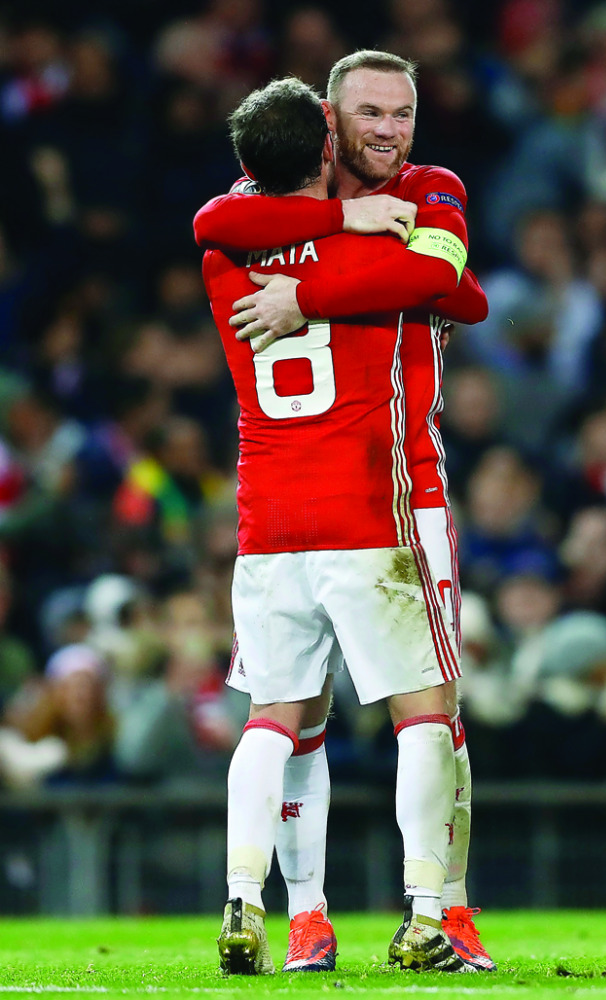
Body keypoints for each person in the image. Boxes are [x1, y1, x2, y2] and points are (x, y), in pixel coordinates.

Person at [194, 51, 495, 973]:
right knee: (423, 709)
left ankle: (280, 902)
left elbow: (213, 228)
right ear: (329, 125)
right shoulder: (366, 227)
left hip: (287, 516)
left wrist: (303, 296)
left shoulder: (416, 191)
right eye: (369, 112)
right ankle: (390, 912)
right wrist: (346, 227)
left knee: (287, 714)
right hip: (382, 502)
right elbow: (450, 289)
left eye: (402, 114)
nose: (388, 131)